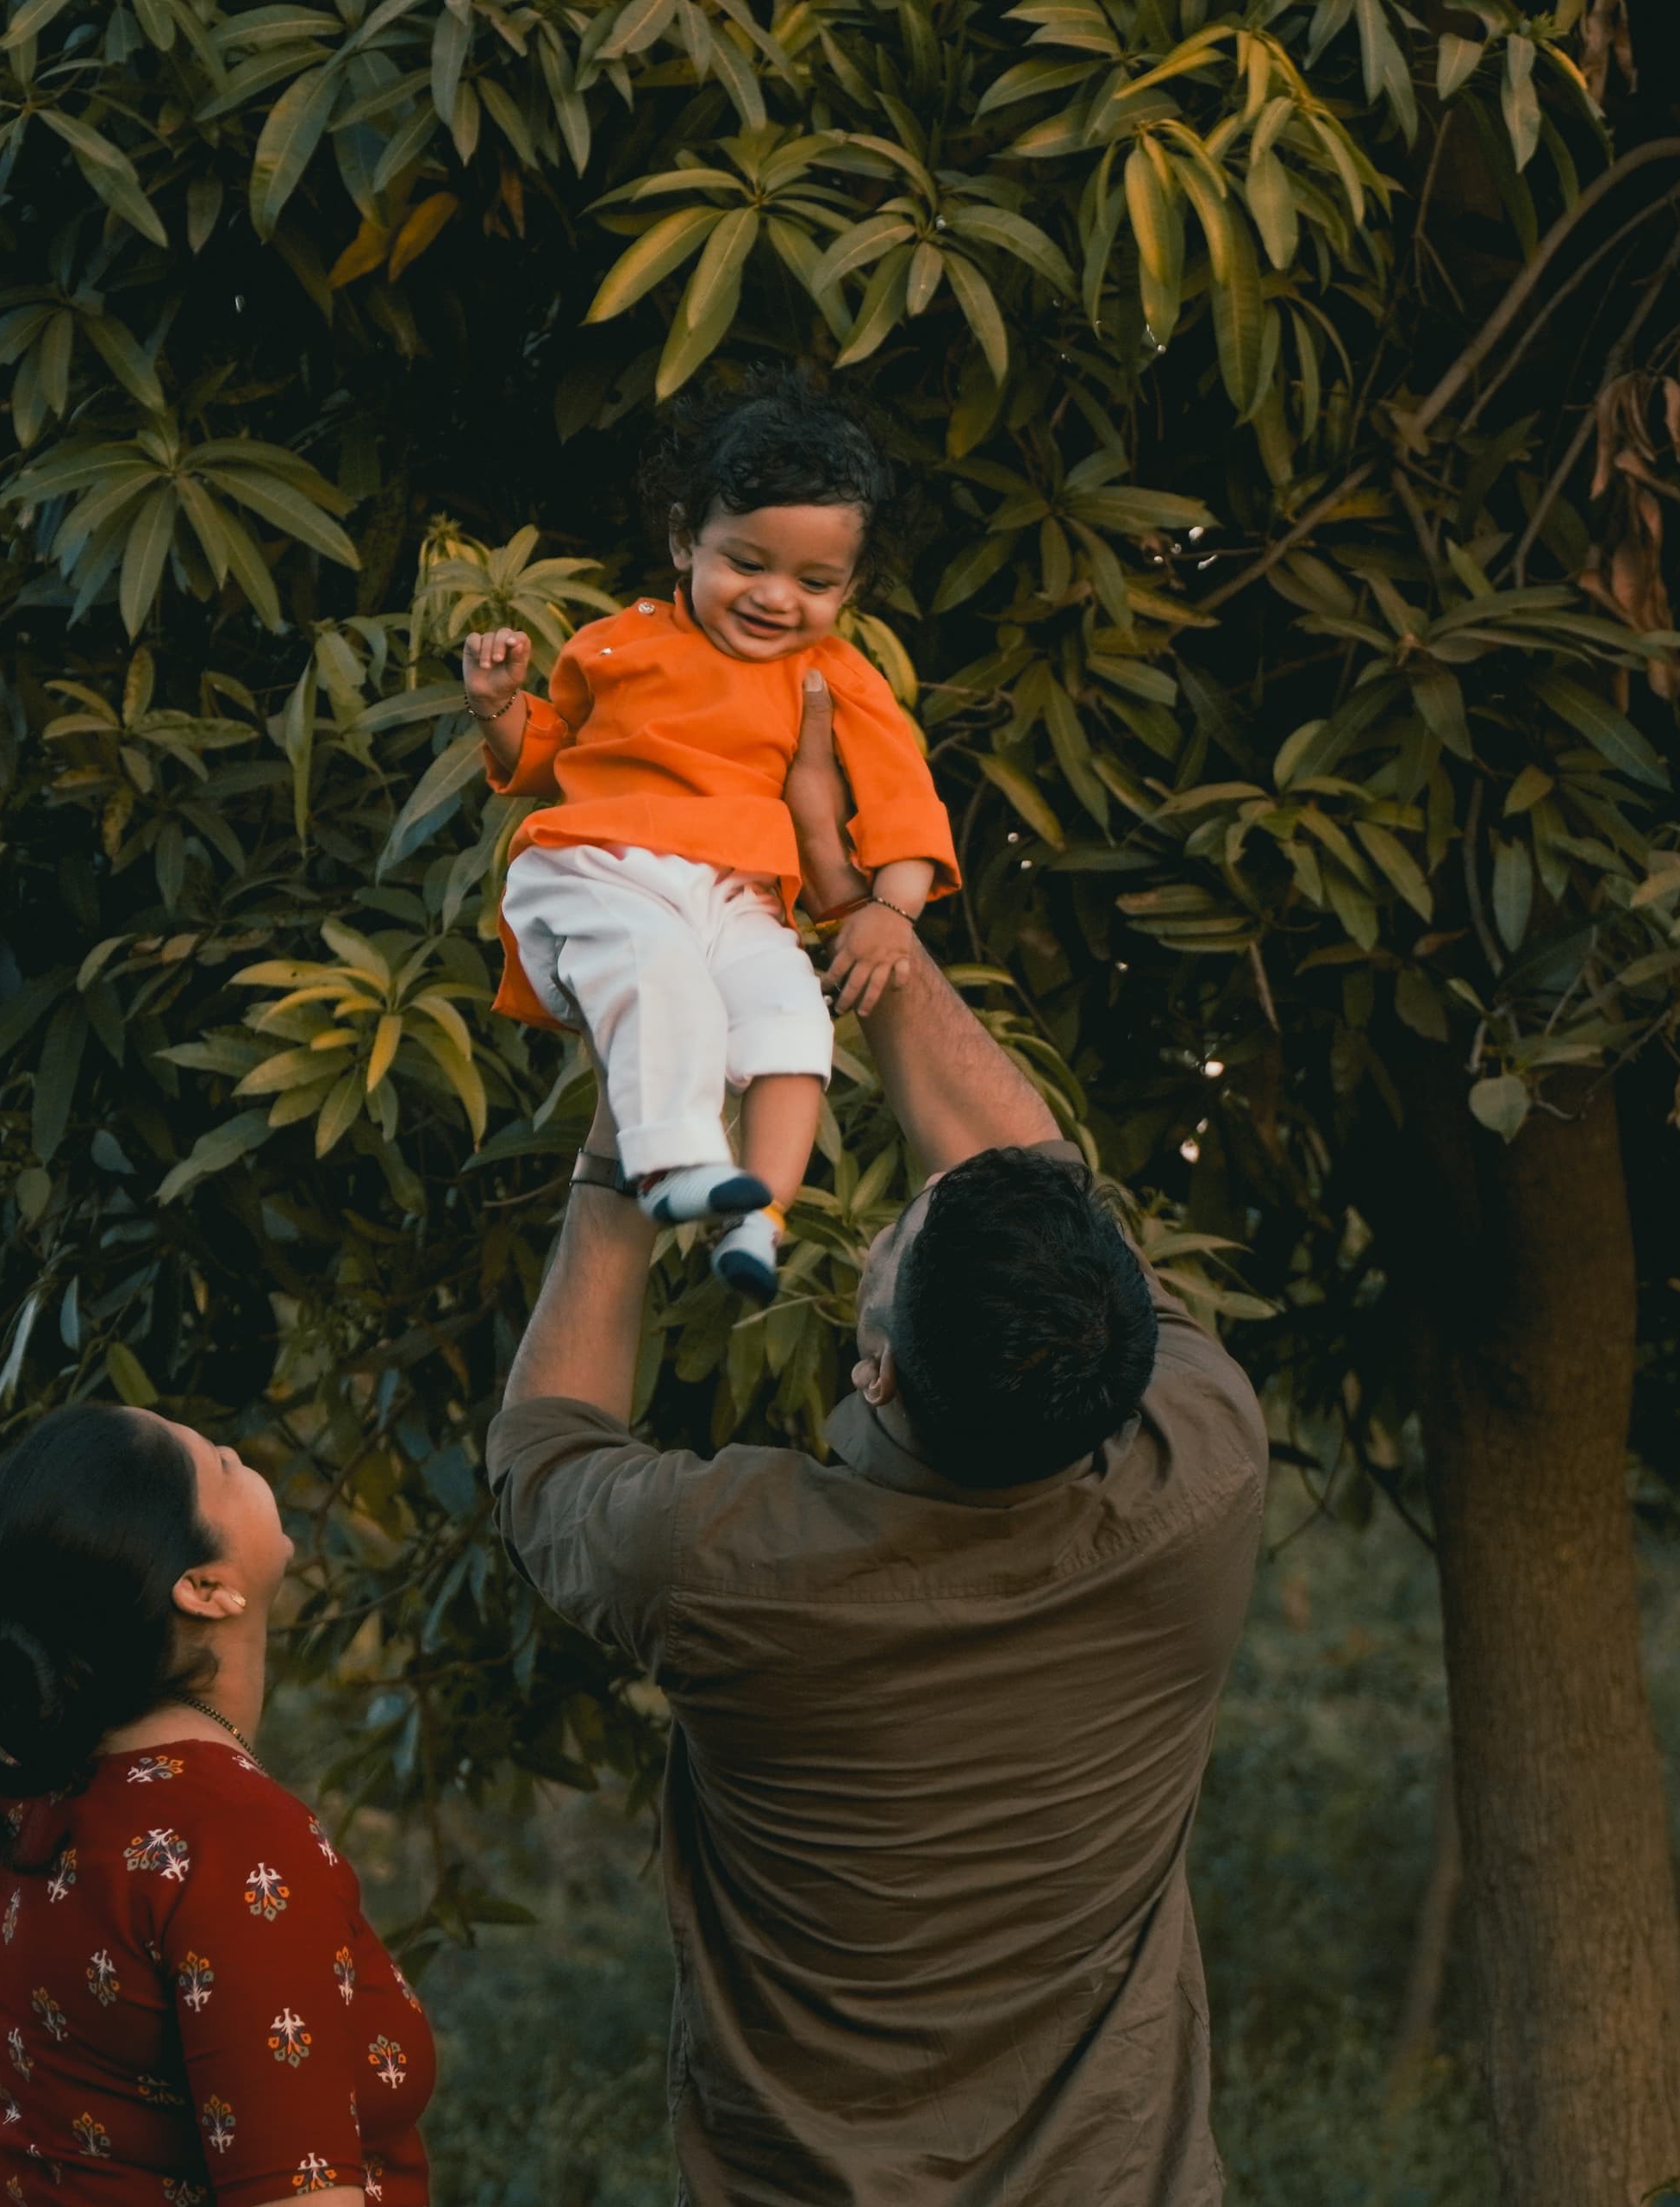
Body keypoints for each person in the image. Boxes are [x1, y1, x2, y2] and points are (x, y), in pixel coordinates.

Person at [484, 693, 1274, 2204]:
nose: (904, 1202)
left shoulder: (732, 1572)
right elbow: (1032, 1183)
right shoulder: (1202, 1464)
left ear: (876, 1374)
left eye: (889, 1244)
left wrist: (635, 1121)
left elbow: (545, 1455)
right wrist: (856, 910)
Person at [457, 376, 959, 1302]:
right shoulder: (616, 644)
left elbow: (904, 802)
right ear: (687, 538)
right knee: (659, 972)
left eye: (815, 582)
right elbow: (549, 756)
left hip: (735, 895)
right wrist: (497, 710)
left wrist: (894, 909)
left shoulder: (834, 675)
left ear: (853, 586)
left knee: (792, 1018)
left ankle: (757, 1215)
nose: (776, 598)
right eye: (747, 562)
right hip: (595, 871)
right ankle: (673, 1164)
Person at [0, 1404, 434, 2206]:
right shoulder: (236, 1839)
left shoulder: (26, 1805)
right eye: (218, 1463)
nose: (233, 1448)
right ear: (205, 1588)